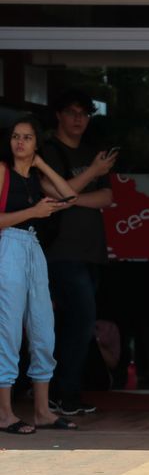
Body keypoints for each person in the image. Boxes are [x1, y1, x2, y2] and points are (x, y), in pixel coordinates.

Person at [1, 115, 85, 434]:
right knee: (8, 330)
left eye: (27, 138)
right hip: (8, 245)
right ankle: (5, 412)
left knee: (42, 328)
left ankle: (41, 410)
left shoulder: (35, 178)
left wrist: (42, 165)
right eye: (15, 137)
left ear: (37, 144)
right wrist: (33, 212)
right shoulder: (3, 172)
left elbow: (70, 197)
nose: (19, 142)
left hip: (32, 248)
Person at [39, 89, 118, 417]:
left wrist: (71, 196)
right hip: (61, 251)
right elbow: (52, 189)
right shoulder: (48, 150)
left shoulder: (90, 153)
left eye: (84, 114)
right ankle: (62, 393)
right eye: (71, 112)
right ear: (58, 114)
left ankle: (66, 391)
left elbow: (107, 197)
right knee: (80, 321)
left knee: (76, 324)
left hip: (91, 251)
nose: (78, 120)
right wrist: (88, 179)